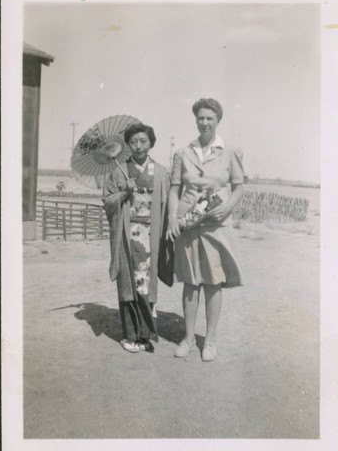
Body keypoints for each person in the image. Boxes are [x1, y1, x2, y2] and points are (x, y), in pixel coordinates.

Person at [166, 98, 244, 362]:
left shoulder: (229, 151)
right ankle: (188, 339)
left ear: (218, 120)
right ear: (195, 120)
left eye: (210, 117)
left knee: (213, 283)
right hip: (188, 226)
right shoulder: (182, 153)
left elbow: (239, 187)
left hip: (215, 226)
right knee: (190, 283)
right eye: (200, 117)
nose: (204, 122)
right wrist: (173, 219)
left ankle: (209, 342)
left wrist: (227, 209)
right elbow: (174, 189)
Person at [103, 123, 171, 353]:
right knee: (128, 285)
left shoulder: (161, 172)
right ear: (127, 145)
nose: (138, 146)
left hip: (151, 235)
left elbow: (167, 206)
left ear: (151, 143)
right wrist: (125, 192)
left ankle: (144, 336)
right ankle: (130, 336)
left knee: (145, 285)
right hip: (127, 235)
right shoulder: (118, 170)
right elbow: (107, 202)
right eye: (133, 142)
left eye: (143, 141)